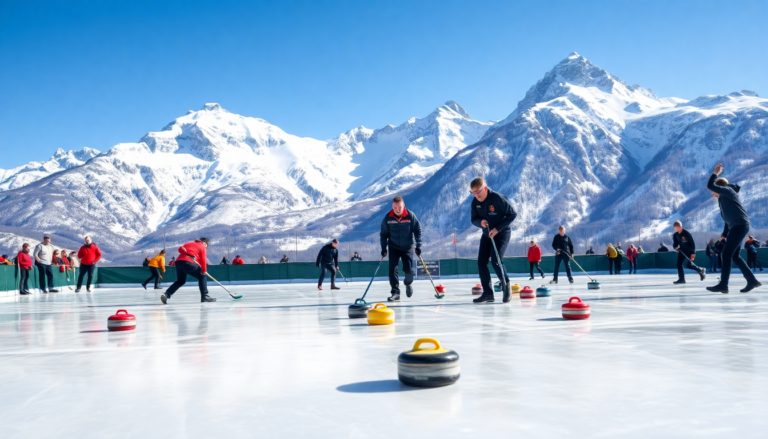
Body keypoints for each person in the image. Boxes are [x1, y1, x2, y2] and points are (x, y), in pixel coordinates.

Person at [706, 164, 760, 293]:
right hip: (737, 226)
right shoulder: (724, 198)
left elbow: (710, 185)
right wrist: (724, 234)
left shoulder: (727, 191)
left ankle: (724, 284)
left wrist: (715, 174)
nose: (712, 193)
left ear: (720, 188)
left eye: (715, 190)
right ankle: (752, 281)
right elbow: (727, 219)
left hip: (739, 226)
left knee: (726, 254)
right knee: (735, 256)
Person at [469, 178, 517, 303]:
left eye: (478, 192)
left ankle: (506, 286)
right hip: (487, 234)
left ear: (485, 188)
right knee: (481, 263)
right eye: (473, 192)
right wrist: (481, 222)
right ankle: (488, 294)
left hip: (502, 233)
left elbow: (512, 214)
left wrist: (497, 229)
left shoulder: (497, 198)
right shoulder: (475, 202)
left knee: (496, 260)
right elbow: (473, 219)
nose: (476, 195)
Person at [380, 196, 423, 301]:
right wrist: (384, 248)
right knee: (392, 270)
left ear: (404, 206)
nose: (397, 210)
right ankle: (395, 292)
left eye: (399, 207)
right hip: (393, 247)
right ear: (392, 206)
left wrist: (418, 245)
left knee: (409, 271)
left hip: (407, 247)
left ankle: (408, 284)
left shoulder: (410, 216)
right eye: (395, 207)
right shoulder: (388, 218)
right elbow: (383, 234)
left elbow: (417, 230)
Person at [161, 238, 216, 304]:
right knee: (202, 276)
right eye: (206, 247)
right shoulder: (202, 246)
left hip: (178, 262)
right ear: (204, 243)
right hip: (187, 261)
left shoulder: (189, 243)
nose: (205, 248)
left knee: (181, 281)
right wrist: (204, 270)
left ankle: (167, 294)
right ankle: (204, 296)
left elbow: (180, 249)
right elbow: (203, 260)